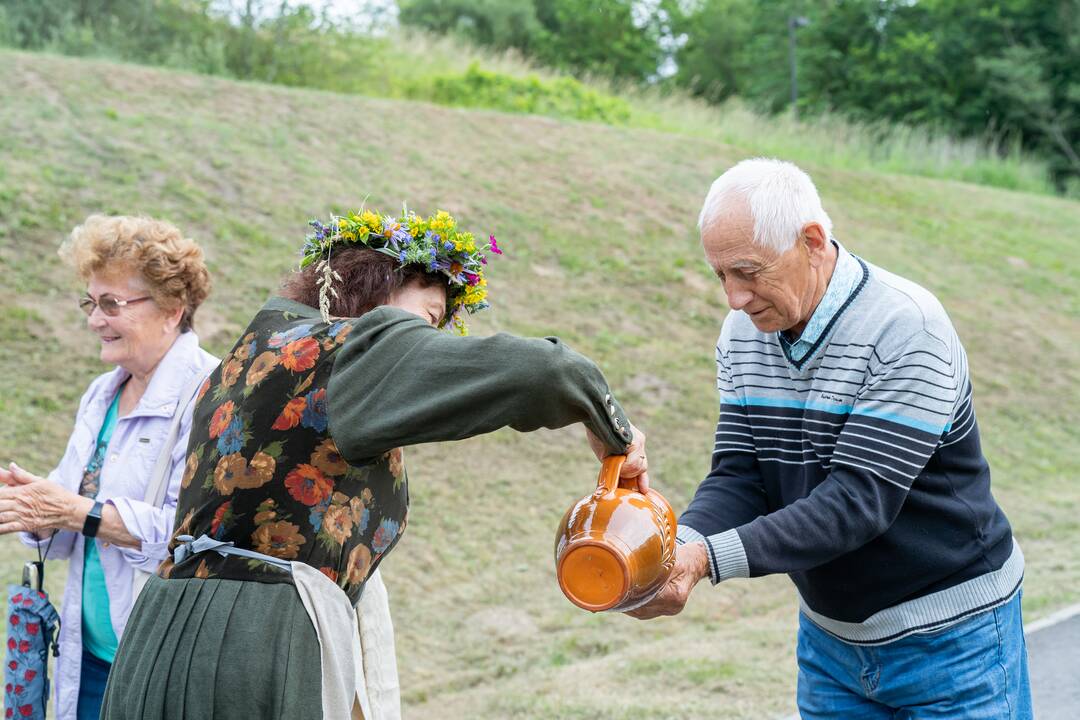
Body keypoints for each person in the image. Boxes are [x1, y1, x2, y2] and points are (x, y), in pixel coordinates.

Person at [99, 207, 648, 720]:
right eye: (428, 316)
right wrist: (613, 433)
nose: (427, 338)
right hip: (254, 647)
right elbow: (549, 372)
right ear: (375, 285)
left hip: (158, 635)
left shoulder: (250, 353)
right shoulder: (353, 352)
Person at [629, 159, 1031, 719]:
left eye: (748, 271)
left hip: (954, 638)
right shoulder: (744, 333)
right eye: (721, 275)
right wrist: (674, 548)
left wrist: (705, 560)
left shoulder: (906, 326)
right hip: (831, 643)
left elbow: (858, 502)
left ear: (812, 241)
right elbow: (741, 474)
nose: (734, 298)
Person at [0, 215, 217, 720]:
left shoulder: (211, 396)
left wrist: (79, 511)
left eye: (112, 304)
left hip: (160, 666)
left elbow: (196, 540)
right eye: (90, 303)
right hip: (89, 657)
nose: (95, 319)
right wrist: (32, 507)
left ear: (171, 310)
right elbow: (67, 521)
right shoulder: (102, 393)